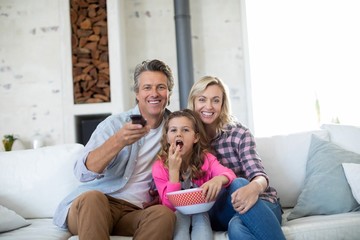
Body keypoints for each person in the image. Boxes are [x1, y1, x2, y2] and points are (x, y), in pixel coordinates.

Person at [53, 59, 176, 240]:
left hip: (134, 212)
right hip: (96, 206)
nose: (154, 94)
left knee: (164, 215)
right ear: (137, 93)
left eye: (161, 87)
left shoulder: (176, 128)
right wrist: (118, 141)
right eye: (147, 87)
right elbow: (81, 173)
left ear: (169, 93)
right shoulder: (115, 124)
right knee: (93, 198)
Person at [187, 76, 286, 240]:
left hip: (261, 203)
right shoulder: (188, 137)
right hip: (219, 210)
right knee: (237, 183)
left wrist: (253, 189)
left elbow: (259, 176)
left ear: (223, 104)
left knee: (237, 226)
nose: (209, 106)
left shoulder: (239, 134)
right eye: (202, 100)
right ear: (193, 102)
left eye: (216, 100)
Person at [152, 109, 236, 240]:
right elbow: (168, 206)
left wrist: (219, 179)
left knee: (200, 214)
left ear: (195, 137)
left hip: (202, 211)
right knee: (181, 215)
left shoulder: (206, 159)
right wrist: (173, 172)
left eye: (185, 130)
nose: (179, 134)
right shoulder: (159, 166)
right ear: (167, 137)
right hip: (177, 212)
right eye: (173, 130)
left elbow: (229, 174)